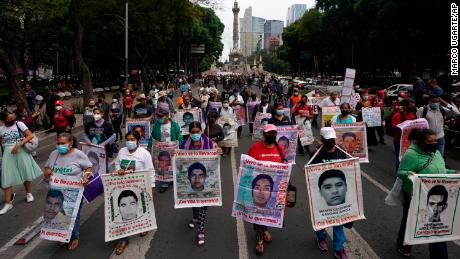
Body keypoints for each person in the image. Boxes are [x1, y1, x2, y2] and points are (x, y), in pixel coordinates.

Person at [396, 128, 456, 258]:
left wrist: (453, 173)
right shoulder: (411, 155)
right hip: (415, 194)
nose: (434, 143)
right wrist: (409, 174)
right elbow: (400, 172)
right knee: (410, 221)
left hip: (436, 194)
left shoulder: (436, 152)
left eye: (435, 140)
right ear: (420, 142)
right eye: (430, 141)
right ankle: (404, 244)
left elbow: (443, 170)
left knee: (435, 225)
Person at [43, 133, 92, 250]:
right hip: (56, 191)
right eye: (58, 143)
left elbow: (88, 167)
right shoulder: (54, 154)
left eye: (63, 143)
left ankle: (75, 236)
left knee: (73, 214)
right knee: (60, 213)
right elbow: (47, 167)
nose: (60, 146)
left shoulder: (78, 154)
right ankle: (63, 235)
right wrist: (47, 171)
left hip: (74, 190)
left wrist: (86, 176)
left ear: (70, 144)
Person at [309, 127, 351, 259]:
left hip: (338, 192)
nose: (331, 142)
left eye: (332, 139)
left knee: (338, 219)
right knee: (322, 217)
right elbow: (310, 172)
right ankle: (321, 237)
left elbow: (348, 168)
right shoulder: (317, 154)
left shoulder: (340, 151)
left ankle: (339, 248)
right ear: (322, 140)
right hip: (322, 193)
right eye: (328, 140)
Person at [113, 130, 155, 255]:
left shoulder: (144, 154)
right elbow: (116, 164)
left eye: (132, 139)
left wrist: (151, 187)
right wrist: (119, 170)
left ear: (138, 140)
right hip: (124, 186)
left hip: (140, 187)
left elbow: (150, 171)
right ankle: (123, 240)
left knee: (141, 208)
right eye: (128, 139)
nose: (129, 142)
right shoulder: (122, 152)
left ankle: (142, 227)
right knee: (123, 212)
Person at [247, 124, 286, 255]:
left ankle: (265, 230)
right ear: (264, 134)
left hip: (273, 189)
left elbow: (284, 165)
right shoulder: (255, 148)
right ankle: (259, 240)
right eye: (269, 133)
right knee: (258, 213)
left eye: (274, 133)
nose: (271, 136)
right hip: (258, 189)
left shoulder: (280, 148)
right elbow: (247, 167)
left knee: (268, 211)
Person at [0, 112, 43, 214]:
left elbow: (30, 135)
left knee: (25, 172)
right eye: (9, 117)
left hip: (21, 151)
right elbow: (1, 142)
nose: (12, 118)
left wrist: (19, 144)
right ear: (4, 120)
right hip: (7, 153)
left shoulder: (19, 124)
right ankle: (8, 203)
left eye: (12, 116)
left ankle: (28, 193)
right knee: (6, 177)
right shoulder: (1, 129)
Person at [180, 122, 214, 246]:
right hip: (191, 179)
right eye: (192, 132)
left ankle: (200, 230)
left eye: (197, 131)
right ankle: (195, 217)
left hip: (205, 178)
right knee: (194, 201)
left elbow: (214, 160)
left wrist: (218, 151)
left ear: (201, 131)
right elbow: (180, 161)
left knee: (203, 205)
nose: (195, 134)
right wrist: (175, 155)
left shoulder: (209, 143)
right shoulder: (184, 144)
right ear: (189, 133)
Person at [391, 98, 417, 170]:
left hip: (411, 140)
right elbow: (394, 128)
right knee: (401, 159)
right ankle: (399, 174)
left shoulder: (413, 114)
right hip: (400, 141)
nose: (412, 108)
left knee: (410, 158)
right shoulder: (398, 115)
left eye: (413, 106)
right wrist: (406, 127)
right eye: (411, 106)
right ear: (405, 106)